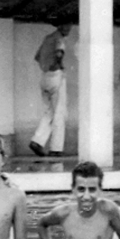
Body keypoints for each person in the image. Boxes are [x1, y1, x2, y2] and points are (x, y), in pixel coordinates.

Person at [29, 22, 72, 157]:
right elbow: (59, 53)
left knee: (49, 112)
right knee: (60, 112)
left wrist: (47, 65)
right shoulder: (59, 38)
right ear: (61, 26)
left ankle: (37, 140)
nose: (69, 29)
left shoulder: (47, 38)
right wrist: (58, 66)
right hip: (55, 75)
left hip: (45, 76)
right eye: (67, 26)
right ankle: (56, 148)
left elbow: (37, 57)